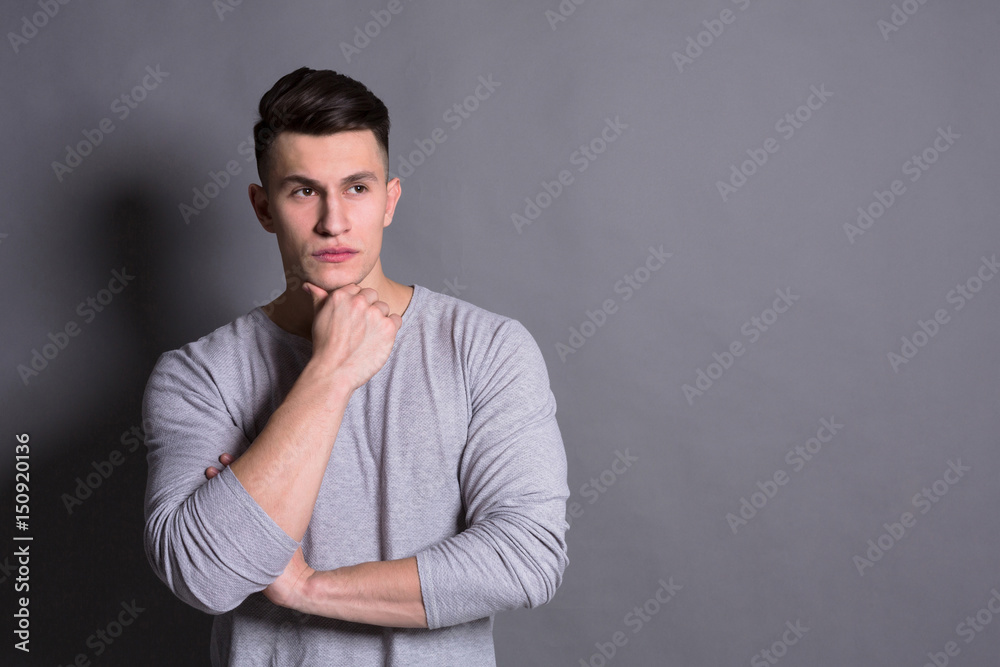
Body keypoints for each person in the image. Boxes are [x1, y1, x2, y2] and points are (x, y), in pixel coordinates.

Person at [141, 66, 570, 665]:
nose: (333, 221)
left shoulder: (488, 347)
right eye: (302, 191)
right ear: (263, 208)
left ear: (390, 201)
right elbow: (205, 576)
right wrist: (332, 372)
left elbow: (523, 560)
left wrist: (308, 588)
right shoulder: (199, 375)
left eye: (357, 188)